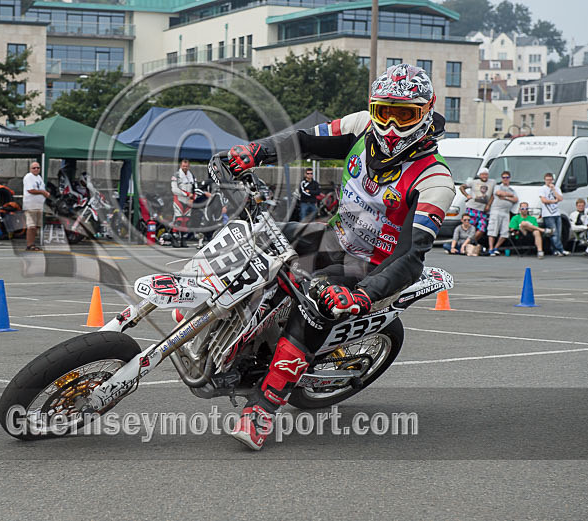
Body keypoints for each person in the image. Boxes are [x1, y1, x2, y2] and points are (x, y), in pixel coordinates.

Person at [221, 63, 455, 449]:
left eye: (405, 115)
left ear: (427, 110)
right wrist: (255, 151)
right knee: (252, 238)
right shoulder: (362, 125)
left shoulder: (435, 180)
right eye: (385, 112)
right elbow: (302, 141)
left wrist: (363, 294)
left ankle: (264, 408)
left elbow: (412, 256)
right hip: (333, 238)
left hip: (371, 266)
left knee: (313, 309)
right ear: (374, 109)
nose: (392, 126)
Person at [459, 168, 495, 247]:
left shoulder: (492, 183)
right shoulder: (474, 182)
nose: (484, 176)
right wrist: (467, 195)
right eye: (482, 174)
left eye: (486, 174)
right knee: (470, 227)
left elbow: (493, 195)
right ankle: (464, 244)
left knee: (482, 228)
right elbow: (461, 187)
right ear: (479, 175)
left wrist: (488, 205)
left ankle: (469, 243)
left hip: (483, 210)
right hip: (472, 208)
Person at [486, 170, 518, 255]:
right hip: (496, 210)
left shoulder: (512, 190)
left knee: (505, 232)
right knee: (493, 230)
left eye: (507, 177)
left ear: (509, 178)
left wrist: (506, 197)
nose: (505, 179)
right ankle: (491, 248)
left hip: (506, 212)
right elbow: (498, 193)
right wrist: (509, 195)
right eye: (504, 177)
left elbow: (515, 199)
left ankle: (496, 247)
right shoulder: (498, 186)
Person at [538, 172, 569, 256]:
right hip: (548, 215)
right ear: (544, 180)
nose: (549, 181)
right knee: (553, 233)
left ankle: (555, 250)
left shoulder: (556, 188)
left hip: (556, 213)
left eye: (550, 180)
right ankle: (561, 249)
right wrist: (554, 201)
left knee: (558, 233)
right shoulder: (542, 189)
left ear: (552, 180)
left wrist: (554, 190)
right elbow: (543, 200)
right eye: (547, 180)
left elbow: (560, 198)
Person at [23, 161, 49, 251]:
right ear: (30, 169)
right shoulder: (28, 177)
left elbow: (41, 189)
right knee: (31, 226)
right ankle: (29, 245)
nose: (36, 169)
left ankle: (33, 243)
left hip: (39, 205)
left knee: (37, 226)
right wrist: (43, 192)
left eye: (38, 168)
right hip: (30, 205)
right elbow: (31, 190)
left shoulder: (39, 177)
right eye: (34, 168)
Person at [170, 158, 195, 248]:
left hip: (188, 201)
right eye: (183, 166)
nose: (185, 167)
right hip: (179, 200)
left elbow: (195, 188)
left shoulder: (191, 175)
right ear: (181, 166)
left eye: (187, 166)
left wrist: (193, 198)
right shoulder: (176, 175)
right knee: (178, 220)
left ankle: (183, 240)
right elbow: (174, 189)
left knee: (186, 221)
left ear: (189, 166)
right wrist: (187, 194)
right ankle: (174, 239)